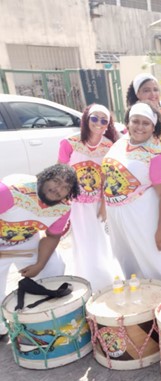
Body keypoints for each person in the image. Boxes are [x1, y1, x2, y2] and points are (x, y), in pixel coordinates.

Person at [102, 102, 161, 293]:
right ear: (128, 122)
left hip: (145, 219)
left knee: (155, 262)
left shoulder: (159, 154)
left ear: (154, 127)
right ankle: (142, 307)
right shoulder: (120, 143)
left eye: (146, 123)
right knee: (130, 260)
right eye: (135, 121)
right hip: (120, 219)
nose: (139, 127)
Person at [0, 164, 80, 335]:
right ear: (44, 177)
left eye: (65, 187)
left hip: (27, 240)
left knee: (54, 267)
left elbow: (52, 236)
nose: (57, 189)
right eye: (55, 181)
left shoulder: (64, 207)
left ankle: (42, 315)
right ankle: (1, 327)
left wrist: (40, 264)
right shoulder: (11, 190)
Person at [58, 104, 121, 291]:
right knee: (82, 242)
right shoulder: (69, 143)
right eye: (95, 118)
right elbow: (60, 174)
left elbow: (109, 178)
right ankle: (87, 281)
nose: (99, 123)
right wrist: (63, 203)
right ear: (86, 118)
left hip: (98, 203)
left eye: (104, 120)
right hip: (76, 204)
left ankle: (105, 281)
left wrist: (103, 204)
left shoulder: (110, 146)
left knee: (102, 241)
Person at [126, 73, 161, 158]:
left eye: (155, 89)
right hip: (149, 162)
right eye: (146, 90)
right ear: (137, 94)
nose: (153, 94)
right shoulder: (135, 113)